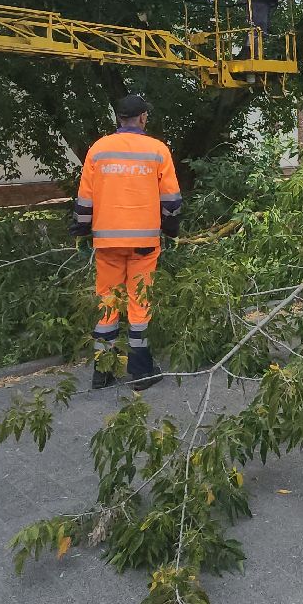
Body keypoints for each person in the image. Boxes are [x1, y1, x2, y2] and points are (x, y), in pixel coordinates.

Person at [72, 94, 182, 390]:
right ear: (143, 117)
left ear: (119, 118)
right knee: (139, 302)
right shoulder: (157, 150)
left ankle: (103, 371)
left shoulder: (98, 150)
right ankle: (141, 371)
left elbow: (85, 199)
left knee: (107, 302)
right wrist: (172, 231)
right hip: (144, 242)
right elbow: (171, 200)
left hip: (106, 242)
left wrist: (82, 232)